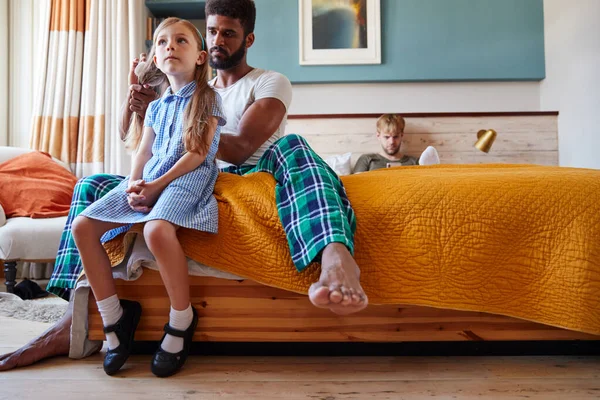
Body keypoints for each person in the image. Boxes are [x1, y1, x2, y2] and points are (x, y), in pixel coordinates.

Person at [0, 0, 367, 371]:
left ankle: (334, 255)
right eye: (211, 31)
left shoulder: (266, 82)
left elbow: (240, 149)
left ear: (248, 39)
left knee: (295, 146)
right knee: (91, 185)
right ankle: (74, 315)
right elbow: (136, 142)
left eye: (229, 33)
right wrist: (142, 109)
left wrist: (187, 122)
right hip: (179, 169)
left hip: (246, 172)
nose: (218, 39)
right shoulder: (184, 87)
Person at [72, 17, 225, 377]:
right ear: (154, 59)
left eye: (181, 41)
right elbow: (142, 152)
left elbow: (198, 154)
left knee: (157, 230)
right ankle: (114, 319)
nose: (170, 46)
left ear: (201, 57)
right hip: (152, 176)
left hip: (188, 176)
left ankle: (182, 318)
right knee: (83, 226)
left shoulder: (207, 98)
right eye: (162, 42)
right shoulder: (156, 106)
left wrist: (156, 188)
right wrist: (135, 183)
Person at [353, 114, 439, 173]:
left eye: (395, 137)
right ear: (378, 136)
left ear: (402, 135)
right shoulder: (367, 159)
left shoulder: (414, 162)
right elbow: (355, 184)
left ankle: (433, 170)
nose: (391, 142)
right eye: (387, 137)